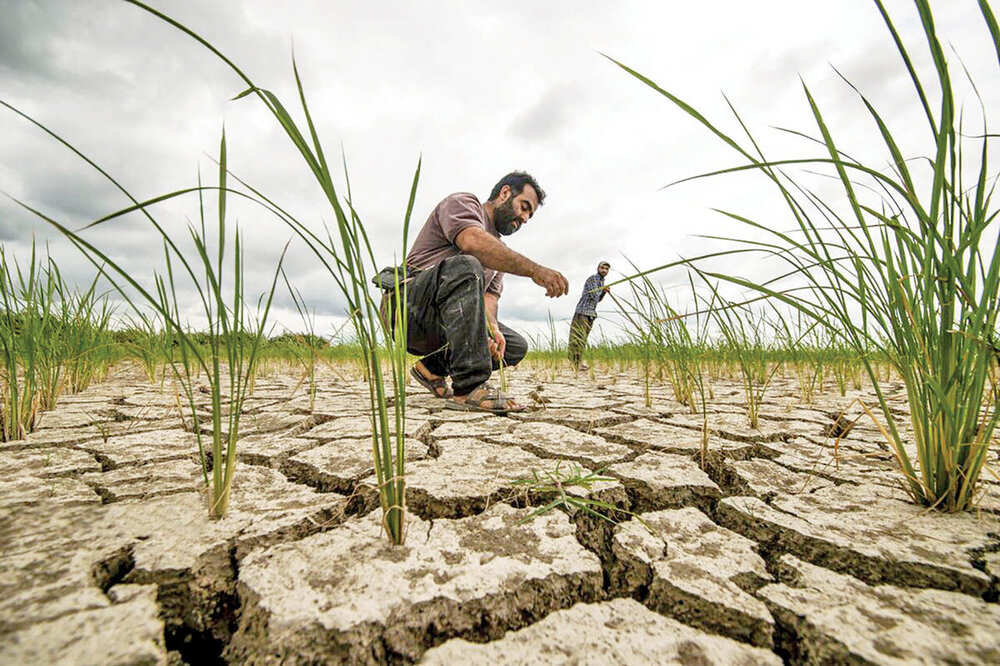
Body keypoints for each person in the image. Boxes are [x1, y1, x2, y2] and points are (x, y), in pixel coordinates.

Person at [396, 171, 569, 414]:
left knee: (514, 345)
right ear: (505, 193)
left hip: (447, 322)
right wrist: (534, 270)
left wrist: (491, 331)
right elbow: (472, 242)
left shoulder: (499, 253)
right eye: (524, 207)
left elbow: (488, 301)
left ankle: (431, 369)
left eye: (530, 215)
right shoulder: (463, 203)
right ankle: (469, 387)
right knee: (467, 264)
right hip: (408, 310)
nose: (525, 218)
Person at [568, 261, 610, 370]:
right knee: (578, 338)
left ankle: (577, 362)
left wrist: (604, 292)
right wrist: (602, 290)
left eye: (606, 269)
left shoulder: (601, 282)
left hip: (590, 313)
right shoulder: (593, 279)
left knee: (583, 339)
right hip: (583, 312)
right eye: (602, 268)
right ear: (598, 268)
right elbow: (593, 295)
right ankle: (576, 363)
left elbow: (598, 299)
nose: (604, 270)